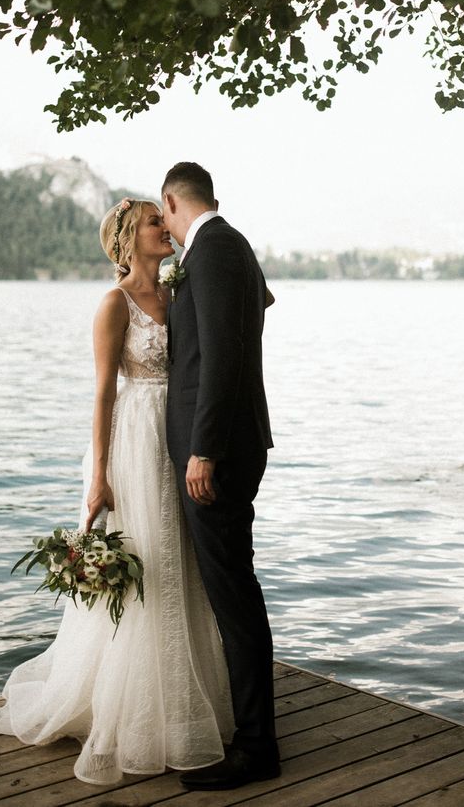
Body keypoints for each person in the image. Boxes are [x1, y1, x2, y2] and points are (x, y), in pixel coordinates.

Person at [0, 198, 234, 784]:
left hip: (176, 436)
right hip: (133, 444)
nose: (164, 228)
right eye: (155, 222)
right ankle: (136, 715)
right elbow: (101, 394)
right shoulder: (113, 304)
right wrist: (98, 476)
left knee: (179, 566)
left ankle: (185, 706)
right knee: (144, 564)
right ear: (129, 238)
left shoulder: (178, 292)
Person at [162, 161, 280, 791]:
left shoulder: (212, 251)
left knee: (233, 593)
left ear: (172, 202)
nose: (167, 232)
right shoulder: (229, 247)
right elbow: (258, 305)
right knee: (233, 587)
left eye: (165, 219)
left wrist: (203, 449)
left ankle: (257, 746)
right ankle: (249, 727)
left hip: (220, 453)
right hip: (233, 443)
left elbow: (225, 356)